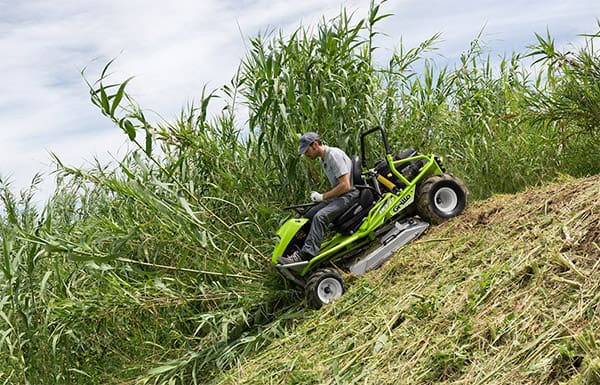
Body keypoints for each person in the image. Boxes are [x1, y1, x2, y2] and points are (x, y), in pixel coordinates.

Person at [278, 132, 359, 264]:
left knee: (320, 217)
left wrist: (322, 197)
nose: (306, 155)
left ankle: (306, 255)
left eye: (306, 151)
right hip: (340, 196)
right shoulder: (323, 159)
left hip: (350, 195)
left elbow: (345, 186)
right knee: (307, 215)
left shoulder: (333, 155)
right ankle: (296, 251)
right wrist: (323, 198)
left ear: (315, 145)